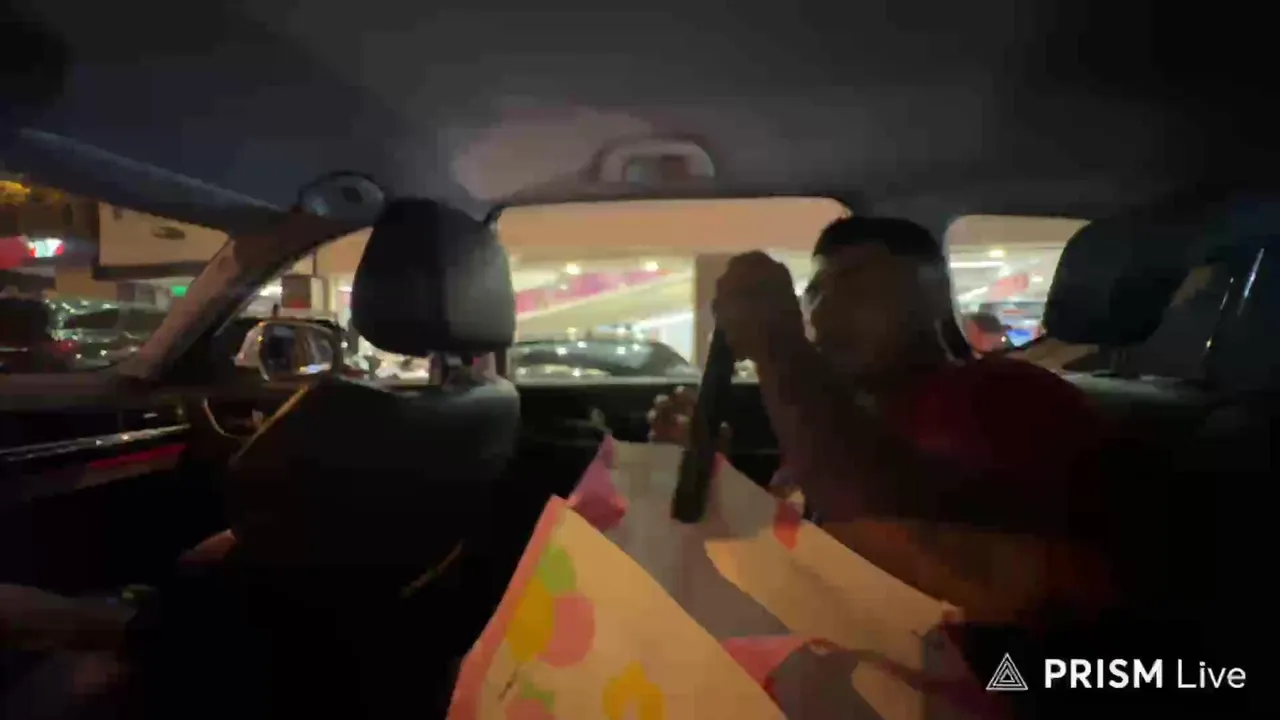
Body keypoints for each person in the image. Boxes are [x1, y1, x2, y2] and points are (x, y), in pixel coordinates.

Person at [652, 217, 1113, 624]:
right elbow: (798, 552)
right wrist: (716, 480)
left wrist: (779, 348)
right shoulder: (841, 416)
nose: (824, 311)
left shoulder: (1008, 396)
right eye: (816, 292)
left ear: (935, 297)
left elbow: (909, 531)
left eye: (858, 288)